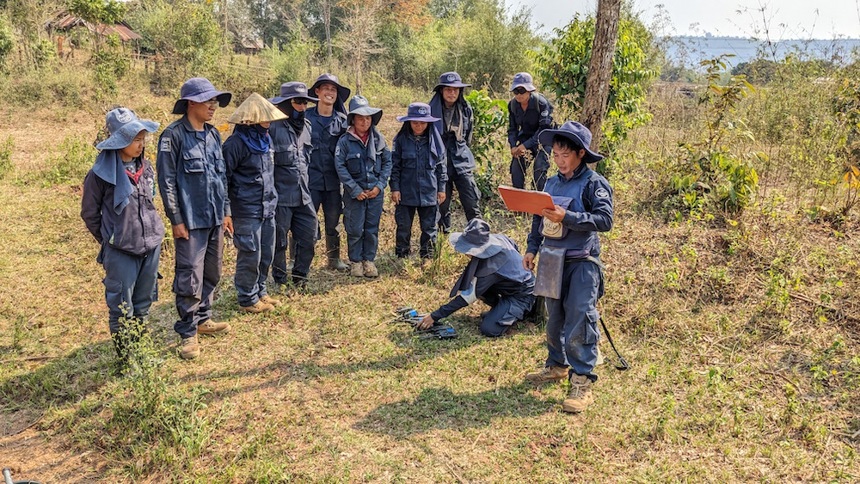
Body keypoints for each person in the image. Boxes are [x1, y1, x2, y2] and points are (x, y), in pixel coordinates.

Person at [522, 121, 613, 413]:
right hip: (551, 260)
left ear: (581, 154)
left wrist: (569, 217)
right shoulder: (550, 183)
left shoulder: (594, 184)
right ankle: (556, 365)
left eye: (565, 155)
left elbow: (604, 220)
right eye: (556, 155)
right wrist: (531, 248)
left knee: (580, 318)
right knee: (554, 318)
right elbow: (540, 219)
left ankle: (582, 382)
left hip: (582, 263)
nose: (560, 161)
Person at [157, 77, 232, 361]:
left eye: (215, 101)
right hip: (190, 220)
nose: (213, 107)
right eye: (208, 101)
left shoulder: (213, 135)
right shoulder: (173, 136)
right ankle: (188, 332)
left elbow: (221, 177)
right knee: (189, 276)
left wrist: (225, 211)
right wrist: (175, 219)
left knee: (212, 271)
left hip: (214, 217)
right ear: (191, 103)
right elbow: (167, 182)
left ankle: (204, 319)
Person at [81, 108, 164, 364]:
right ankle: (125, 360)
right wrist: (111, 238)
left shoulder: (146, 167)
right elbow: (90, 214)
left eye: (142, 138)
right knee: (121, 308)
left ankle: (140, 353)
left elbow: (150, 201)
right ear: (118, 142)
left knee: (142, 303)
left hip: (150, 246)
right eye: (134, 139)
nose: (140, 145)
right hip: (121, 252)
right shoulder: (99, 176)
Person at [222, 93, 286, 312]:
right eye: (264, 119)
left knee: (266, 252)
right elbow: (224, 179)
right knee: (250, 254)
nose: (268, 123)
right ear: (250, 121)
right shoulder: (235, 144)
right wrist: (226, 211)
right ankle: (247, 298)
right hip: (246, 209)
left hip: (267, 207)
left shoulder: (265, 140)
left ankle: (261, 290)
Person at [418, 218, 535, 337]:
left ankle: (520, 311)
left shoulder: (490, 268)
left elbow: (466, 297)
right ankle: (501, 308)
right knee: (481, 290)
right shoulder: (498, 239)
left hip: (523, 293)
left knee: (489, 329)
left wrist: (434, 316)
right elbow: (514, 245)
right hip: (510, 284)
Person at [334, 95, 392, 278]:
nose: (364, 122)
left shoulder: (379, 139)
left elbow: (387, 163)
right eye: (360, 118)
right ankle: (356, 261)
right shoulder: (344, 141)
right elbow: (340, 166)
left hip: (375, 192)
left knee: (371, 228)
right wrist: (355, 189)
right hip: (354, 194)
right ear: (353, 120)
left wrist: (380, 186)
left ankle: (369, 260)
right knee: (355, 228)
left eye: (368, 118)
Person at [269, 82, 320, 288]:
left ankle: (300, 277)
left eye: (305, 102)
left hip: (304, 195)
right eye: (298, 102)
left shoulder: (307, 127)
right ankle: (280, 280)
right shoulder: (272, 127)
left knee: (309, 237)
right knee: (279, 242)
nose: (302, 106)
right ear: (286, 104)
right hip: (281, 196)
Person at [306, 74, 352, 271]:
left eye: (333, 90)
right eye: (325, 88)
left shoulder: (342, 121)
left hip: (333, 182)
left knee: (333, 223)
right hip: (310, 180)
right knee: (305, 221)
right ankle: (297, 259)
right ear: (317, 91)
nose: (329, 93)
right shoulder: (305, 118)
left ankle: (334, 260)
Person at [390, 102, 447, 259]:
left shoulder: (436, 142)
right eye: (415, 122)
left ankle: (427, 256)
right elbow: (395, 166)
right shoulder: (401, 141)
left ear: (428, 123)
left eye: (423, 122)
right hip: (406, 191)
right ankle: (402, 255)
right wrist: (395, 188)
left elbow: (441, 167)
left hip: (429, 191)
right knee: (403, 226)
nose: (419, 126)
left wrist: (441, 188)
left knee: (429, 227)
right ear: (409, 122)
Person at [428, 71, 481, 234]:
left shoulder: (465, 109)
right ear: (441, 91)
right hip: (439, 160)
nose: (452, 93)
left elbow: (468, 135)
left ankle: (478, 235)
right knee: (442, 204)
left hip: (461, 160)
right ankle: (443, 239)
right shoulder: (431, 110)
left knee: (471, 200)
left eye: (455, 90)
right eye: (448, 89)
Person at [507, 72, 554, 191]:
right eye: (516, 91)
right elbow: (512, 129)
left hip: (543, 140)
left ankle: (539, 204)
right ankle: (519, 205)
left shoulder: (541, 103)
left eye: (522, 90)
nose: (519, 95)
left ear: (529, 90)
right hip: (525, 138)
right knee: (516, 168)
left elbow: (544, 130)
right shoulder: (512, 105)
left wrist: (525, 146)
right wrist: (513, 146)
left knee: (539, 169)